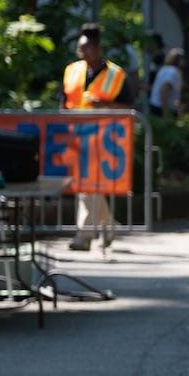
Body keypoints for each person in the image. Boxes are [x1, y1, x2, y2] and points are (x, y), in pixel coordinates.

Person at [61, 23, 132, 251]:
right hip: (76, 137)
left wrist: (107, 105)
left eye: (87, 49)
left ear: (98, 48)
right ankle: (109, 226)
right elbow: (64, 103)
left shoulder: (116, 75)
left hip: (107, 138)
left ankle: (84, 235)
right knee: (88, 186)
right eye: (80, 49)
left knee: (88, 186)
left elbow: (130, 106)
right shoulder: (72, 70)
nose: (82, 53)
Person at [149, 47, 184, 118]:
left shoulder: (165, 69)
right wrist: (166, 112)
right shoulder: (172, 72)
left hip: (157, 107)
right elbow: (164, 90)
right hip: (162, 110)